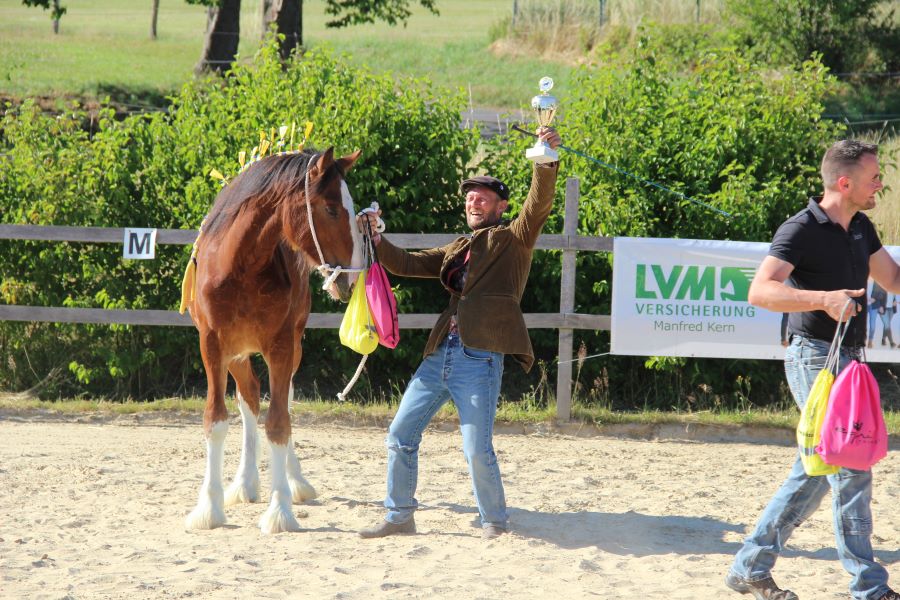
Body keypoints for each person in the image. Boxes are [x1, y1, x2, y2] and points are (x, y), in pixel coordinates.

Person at [356, 126, 562, 540]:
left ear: (502, 205)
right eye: (469, 195)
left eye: (483, 195)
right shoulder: (457, 248)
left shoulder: (514, 239)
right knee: (399, 435)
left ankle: (495, 522)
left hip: (480, 358)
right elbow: (405, 264)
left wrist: (546, 160)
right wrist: (377, 236)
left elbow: (538, 205)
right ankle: (400, 517)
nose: (473, 199)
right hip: (439, 355)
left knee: (475, 449)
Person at [726, 139, 900, 600]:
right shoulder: (800, 229)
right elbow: (760, 292)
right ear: (845, 182)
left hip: (849, 361)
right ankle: (869, 587)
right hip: (814, 357)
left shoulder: (861, 226)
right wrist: (822, 299)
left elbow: (894, 279)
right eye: (873, 177)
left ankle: (750, 565)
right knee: (850, 464)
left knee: (818, 466)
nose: (880, 183)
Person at [872, 281, 895, 347]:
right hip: (883, 308)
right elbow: (877, 296)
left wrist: (895, 301)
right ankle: (891, 343)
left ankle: (883, 339)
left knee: (886, 325)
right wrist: (879, 306)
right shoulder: (881, 284)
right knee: (887, 325)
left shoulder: (894, 285)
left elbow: (894, 296)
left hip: (891, 309)